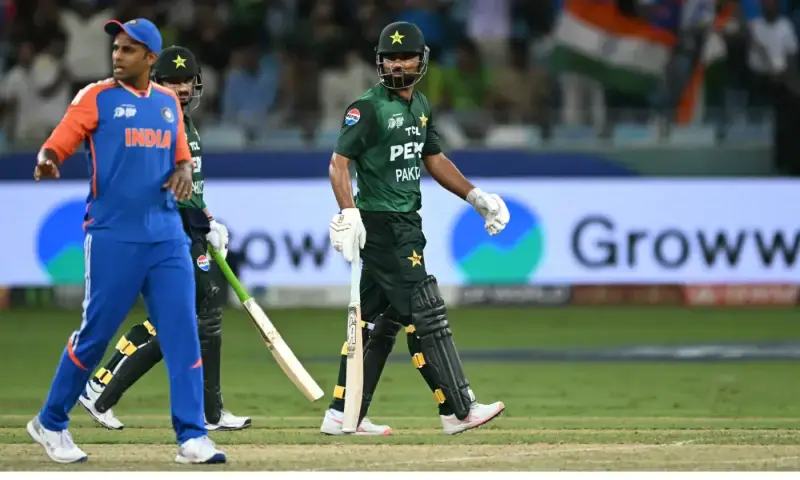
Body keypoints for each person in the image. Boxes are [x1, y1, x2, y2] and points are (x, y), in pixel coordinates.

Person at [27, 19, 226, 465]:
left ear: (150, 58)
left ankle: (192, 436)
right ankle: (50, 421)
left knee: (183, 333)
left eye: (129, 49)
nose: (118, 55)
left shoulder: (167, 105)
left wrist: (182, 172)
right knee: (95, 336)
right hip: (113, 235)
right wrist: (48, 159)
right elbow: (60, 140)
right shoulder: (96, 97)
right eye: (116, 48)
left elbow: (181, 158)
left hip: (167, 237)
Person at [322, 21, 510, 436]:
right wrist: (349, 212)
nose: (398, 64)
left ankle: (343, 412)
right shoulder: (367, 108)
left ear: (421, 61)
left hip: (407, 220)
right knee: (425, 310)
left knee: (377, 322)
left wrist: (476, 197)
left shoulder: (420, 104)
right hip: (382, 224)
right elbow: (338, 163)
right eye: (390, 57)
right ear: (379, 62)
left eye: (406, 57)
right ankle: (458, 409)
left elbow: (434, 158)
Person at [76, 45, 251, 433]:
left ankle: (208, 411)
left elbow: (191, 186)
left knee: (196, 316)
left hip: (188, 229)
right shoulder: (156, 123)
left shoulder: (186, 123)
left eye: (187, 80)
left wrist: (209, 220)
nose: (182, 88)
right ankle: (102, 390)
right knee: (187, 316)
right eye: (172, 81)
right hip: (166, 232)